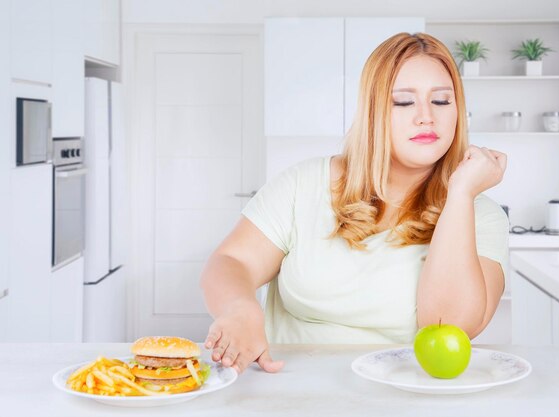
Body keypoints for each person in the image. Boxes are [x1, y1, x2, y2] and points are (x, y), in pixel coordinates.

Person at [200, 32, 509, 375]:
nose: (426, 117)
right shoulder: (303, 183)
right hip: (286, 392)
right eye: (403, 102)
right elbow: (231, 261)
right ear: (373, 111)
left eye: (441, 101)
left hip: (402, 397)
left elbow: (448, 325)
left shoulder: (480, 215)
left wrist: (460, 194)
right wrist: (240, 309)